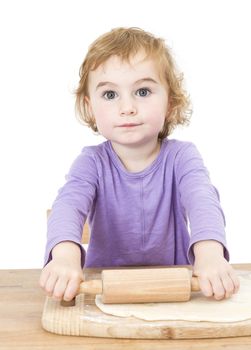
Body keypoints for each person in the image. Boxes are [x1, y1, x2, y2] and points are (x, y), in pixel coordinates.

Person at [39, 27, 239, 303]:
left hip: (176, 292)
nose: (127, 107)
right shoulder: (91, 163)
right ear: (90, 107)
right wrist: (64, 257)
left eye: (143, 91)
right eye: (110, 95)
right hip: (104, 293)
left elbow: (202, 200)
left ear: (170, 103)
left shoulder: (183, 158)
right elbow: (68, 206)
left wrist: (210, 255)